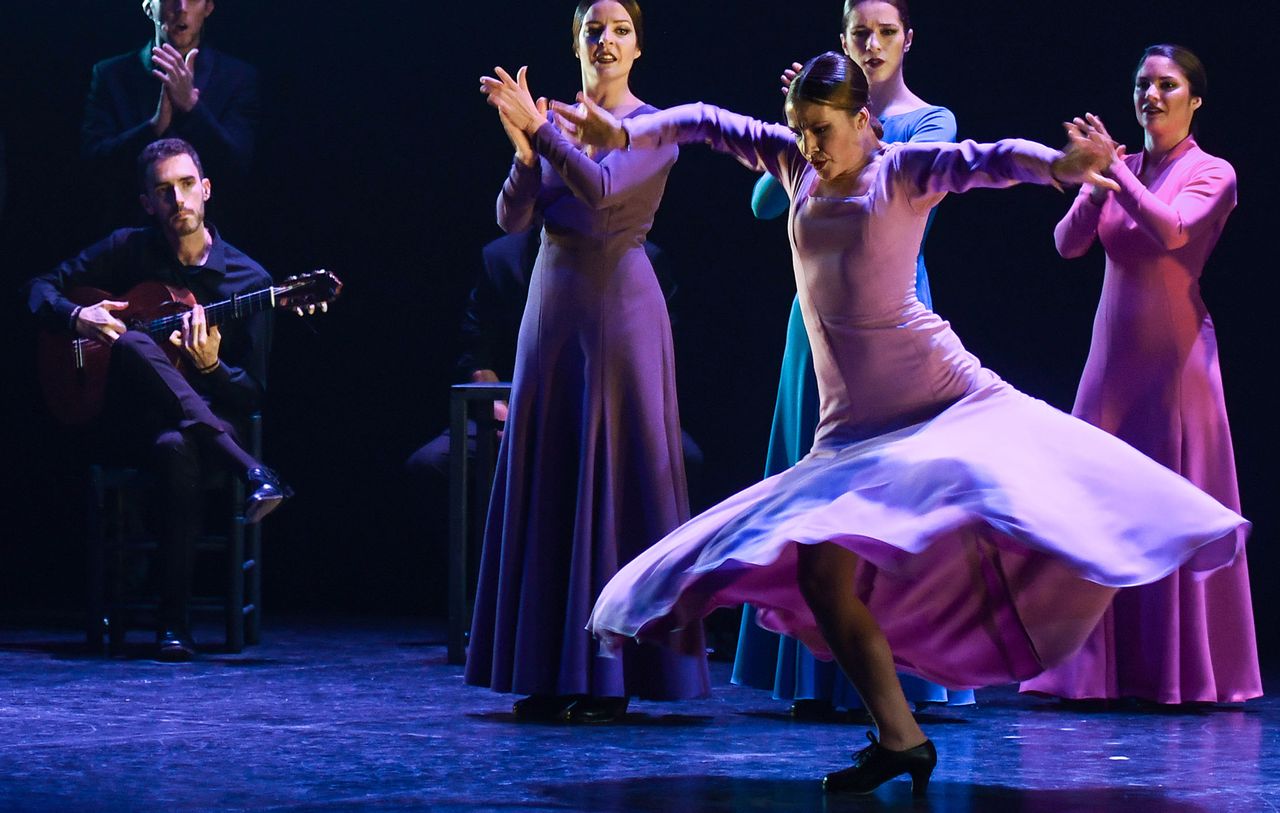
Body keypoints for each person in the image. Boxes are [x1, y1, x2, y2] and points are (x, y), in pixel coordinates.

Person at [520, 51, 1247, 794]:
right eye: (801, 129)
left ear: (862, 121)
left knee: (1006, 498)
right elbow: (705, 123)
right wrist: (630, 131)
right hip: (850, 429)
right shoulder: (796, 165)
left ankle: (1058, 603)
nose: (810, 145)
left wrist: (1059, 165)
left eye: (823, 129)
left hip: (937, 398)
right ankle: (900, 737)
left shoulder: (901, 170)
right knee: (820, 571)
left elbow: (989, 160)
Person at [467, 0, 710, 724]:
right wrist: (524, 151)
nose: (606, 40)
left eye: (620, 30)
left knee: (615, 478)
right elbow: (512, 218)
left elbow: (603, 195)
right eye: (592, 29)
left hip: (620, 309)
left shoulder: (655, 125)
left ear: (639, 47)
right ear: (575, 42)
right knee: (552, 477)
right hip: (553, 305)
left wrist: (542, 131)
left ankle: (612, 674)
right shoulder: (557, 121)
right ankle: (547, 668)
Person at [733, 0, 972, 720]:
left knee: (893, 495)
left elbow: (893, 168)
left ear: (908, 40)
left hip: (893, 315)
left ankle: (906, 675)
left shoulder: (932, 120)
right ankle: (817, 672)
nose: (871, 45)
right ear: (842, 38)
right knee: (816, 491)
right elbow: (762, 204)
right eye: (858, 34)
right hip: (820, 321)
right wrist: (800, 128)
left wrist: (834, 118)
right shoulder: (815, 126)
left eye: (884, 33)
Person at [1020, 45, 1260, 705]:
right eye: (1142, 85)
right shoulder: (1124, 169)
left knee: (1171, 506)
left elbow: (1174, 232)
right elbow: (1067, 245)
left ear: (1195, 98)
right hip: (1112, 363)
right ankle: (1088, 668)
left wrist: (1120, 176)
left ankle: (1178, 673)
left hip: (1176, 366)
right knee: (1093, 505)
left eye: (1166, 85)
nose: (1151, 96)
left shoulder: (1215, 172)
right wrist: (1099, 177)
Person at [26, 138, 290, 662]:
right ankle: (254, 472)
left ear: (207, 190)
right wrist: (79, 317)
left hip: (208, 429)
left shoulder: (250, 281)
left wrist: (212, 366)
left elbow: (252, 392)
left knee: (178, 447)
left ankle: (175, 625)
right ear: (148, 202)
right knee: (131, 340)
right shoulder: (129, 248)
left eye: (188, 185)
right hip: (129, 425)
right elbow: (37, 287)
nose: (179, 200)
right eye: (164, 191)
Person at [82, 0, 259, 233]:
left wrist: (192, 107)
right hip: (131, 242)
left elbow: (237, 167)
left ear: (208, 7)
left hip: (212, 241)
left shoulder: (237, 78)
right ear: (148, 7)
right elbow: (95, 166)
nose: (181, 7)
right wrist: (154, 127)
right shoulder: (110, 75)